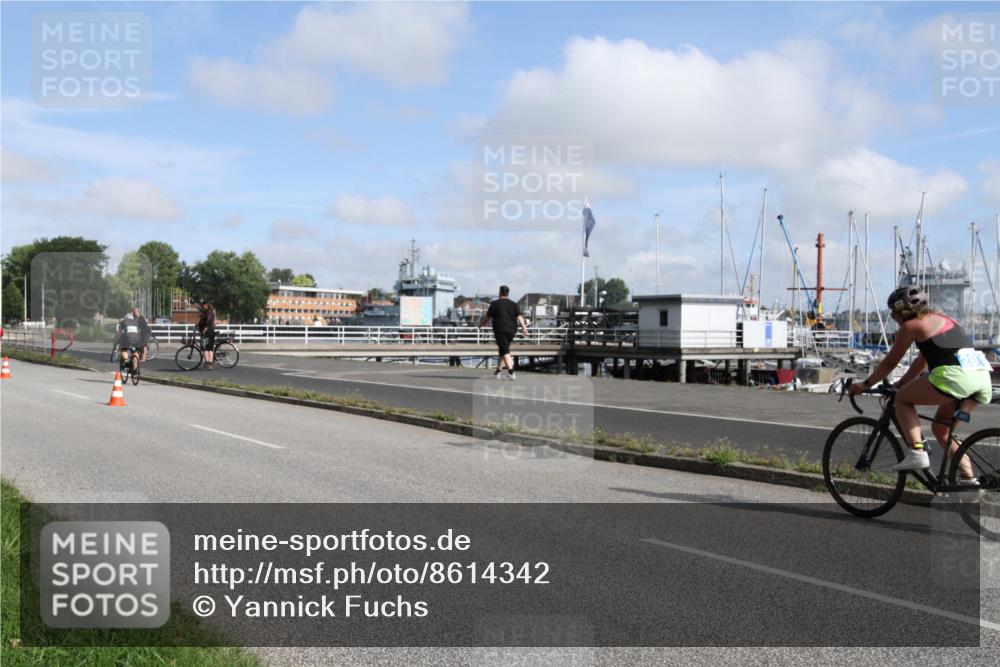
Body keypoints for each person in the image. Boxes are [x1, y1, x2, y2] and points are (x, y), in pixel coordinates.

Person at [848, 285, 992, 478]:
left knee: (901, 400)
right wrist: (902, 383)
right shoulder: (945, 319)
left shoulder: (911, 326)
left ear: (902, 311)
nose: (892, 317)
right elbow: (921, 361)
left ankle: (917, 452)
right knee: (941, 429)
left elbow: (890, 362)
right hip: (981, 378)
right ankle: (970, 482)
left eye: (892, 313)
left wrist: (864, 385)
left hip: (955, 377)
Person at [479, 285, 528, 380]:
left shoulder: (494, 304)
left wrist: (481, 324)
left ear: (500, 292)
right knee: (503, 349)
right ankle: (498, 371)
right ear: (508, 293)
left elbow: (487, 318)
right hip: (512, 330)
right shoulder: (514, 304)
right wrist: (524, 327)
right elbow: (519, 317)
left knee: (505, 350)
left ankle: (511, 372)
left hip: (500, 330)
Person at [196, 300, 216, 370]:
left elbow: (208, 321)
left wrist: (204, 329)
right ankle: (210, 363)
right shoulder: (211, 311)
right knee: (210, 347)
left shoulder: (208, 312)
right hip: (211, 331)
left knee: (205, 347)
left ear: (206, 305)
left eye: (203, 305)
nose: (202, 307)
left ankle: (207, 363)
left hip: (207, 332)